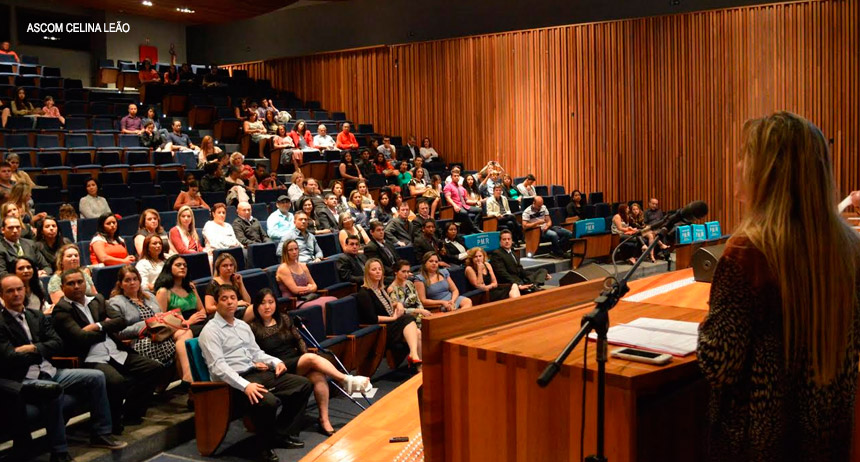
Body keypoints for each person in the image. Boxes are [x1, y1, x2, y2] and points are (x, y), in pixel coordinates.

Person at [697, 112, 860, 461]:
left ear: (768, 172)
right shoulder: (850, 249)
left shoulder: (749, 253)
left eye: (745, 156)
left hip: (758, 445)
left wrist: (709, 319)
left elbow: (717, 362)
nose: (737, 165)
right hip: (827, 439)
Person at [0, 274, 127, 462]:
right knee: (52, 391)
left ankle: (101, 434)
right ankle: (59, 453)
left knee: (96, 377)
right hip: (23, 379)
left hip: (50, 371)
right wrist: (43, 349)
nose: (16, 294)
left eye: (19, 289)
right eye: (10, 291)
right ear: (2, 295)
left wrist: (33, 348)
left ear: (25, 290)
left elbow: (57, 344)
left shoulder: (36, 315)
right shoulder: (1, 323)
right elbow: (9, 357)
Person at [198, 284, 312, 461]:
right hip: (231, 383)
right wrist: (245, 386)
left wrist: (276, 361)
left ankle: (280, 434)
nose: (230, 302)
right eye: (224, 299)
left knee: (303, 385)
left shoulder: (242, 325)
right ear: (216, 303)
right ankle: (262, 447)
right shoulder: (210, 331)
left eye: (233, 298)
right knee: (268, 402)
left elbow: (256, 352)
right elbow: (218, 367)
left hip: (255, 372)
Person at [52, 268, 162, 435]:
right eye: (71, 283)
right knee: (116, 381)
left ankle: (131, 414)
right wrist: (106, 327)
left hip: (114, 350)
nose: (76, 286)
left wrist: (97, 326)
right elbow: (81, 337)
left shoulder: (97, 299)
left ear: (85, 283)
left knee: (154, 368)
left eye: (80, 282)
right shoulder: (61, 310)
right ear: (62, 287)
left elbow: (121, 321)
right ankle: (113, 424)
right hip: (90, 358)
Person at [109, 265, 193, 385]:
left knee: (185, 333)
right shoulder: (116, 302)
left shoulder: (149, 296)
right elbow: (118, 332)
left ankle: (186, 378)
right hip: (140, 340)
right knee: (182, 346)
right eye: (127, 280)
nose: (132, 282)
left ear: (139, 281)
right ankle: (184, 383)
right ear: (121, 284)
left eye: (135, 279)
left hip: (161, 334)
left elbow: (161, 317)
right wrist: (146, 324)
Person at [356, 259, 423, 368]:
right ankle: (415, 358)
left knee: (418, 332)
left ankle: (417, 363)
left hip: (390, 325)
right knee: (407, 318)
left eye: (379, 269)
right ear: (368, 273)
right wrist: (393, 318)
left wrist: (397, 304)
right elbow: (372, 319)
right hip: (379, 331)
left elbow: (388, 305)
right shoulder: (364, 293)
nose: (378, 271)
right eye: (374, 269)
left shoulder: (381, 289)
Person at [154, 255, 207, 336]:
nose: (182, 267)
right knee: (209, 330)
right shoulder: (163, 291)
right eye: (178, 265)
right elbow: (162, 320)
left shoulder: (190, 286)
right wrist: (188, 322)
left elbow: (201, 309)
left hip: (197, 321)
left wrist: (200, 316)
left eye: (185, 265)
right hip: (180, 327)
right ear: (169, 268)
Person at [276, 240, 337, 310]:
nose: (294, 252)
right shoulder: (283, 268)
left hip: (307, 298)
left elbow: (314, 286)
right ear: (285, 252)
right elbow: (295, 290)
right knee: (321, 306)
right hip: (293, 302)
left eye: (296, 249)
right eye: (290, 250)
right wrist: (309, 288)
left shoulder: (303, 266)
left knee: (333, 300)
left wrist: (309, 288)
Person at [387, 261, 433, 328]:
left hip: (418, 313)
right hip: (404, 318)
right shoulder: (391, 289)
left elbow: (418, 301)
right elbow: (399, 310)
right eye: (403, 271)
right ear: (396, 272)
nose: (406, 274)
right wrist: (419, 311)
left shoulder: (410, 283)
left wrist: (422, 311)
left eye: (408, 272)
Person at [444, 168, 479, 234]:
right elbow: (448, 198)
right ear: (451, 177)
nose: (456, 177)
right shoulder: (448, 186)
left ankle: (475, 226)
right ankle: (474, 229)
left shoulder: (462, 188)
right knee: (464, 213)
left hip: (464, 206)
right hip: (455, 207)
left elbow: (466, 200)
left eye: (458, 176)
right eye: (455, 176)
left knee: (480, 210)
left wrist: (476, 202)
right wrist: (454, 205)